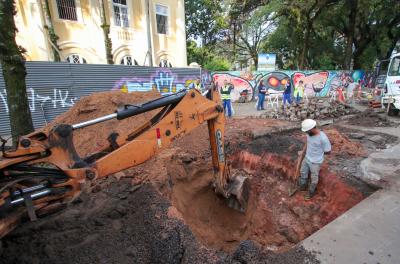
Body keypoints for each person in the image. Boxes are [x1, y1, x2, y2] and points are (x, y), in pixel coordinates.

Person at [299, 119, 331, 200]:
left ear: (313, 128)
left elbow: (328, 151)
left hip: (315, 162)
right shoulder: (309, 134)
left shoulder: (323, 138)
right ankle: (303, 186)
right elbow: (308, 142)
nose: (306, 133)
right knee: (303, 172)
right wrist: (303, 152)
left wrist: (318, 154)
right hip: (307, 158)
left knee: (314, 178)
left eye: (307, 131)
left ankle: (311, 192)